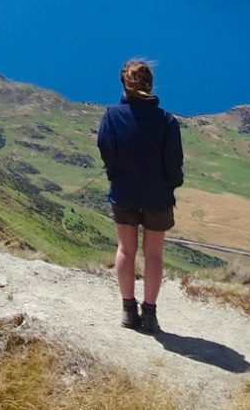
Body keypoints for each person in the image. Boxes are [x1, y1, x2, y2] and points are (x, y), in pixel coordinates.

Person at [96, 59, 183, 335]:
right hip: (158, 196)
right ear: (150, 85)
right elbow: (174, 164)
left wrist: (115, 175)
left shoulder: (111, 116)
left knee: (125, 250)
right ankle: (150, 315)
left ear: (124, 84)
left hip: (124, 193)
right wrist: (170, 185)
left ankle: (127, 310)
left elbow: (105, 148)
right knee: (153, 254)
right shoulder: (167, 121)